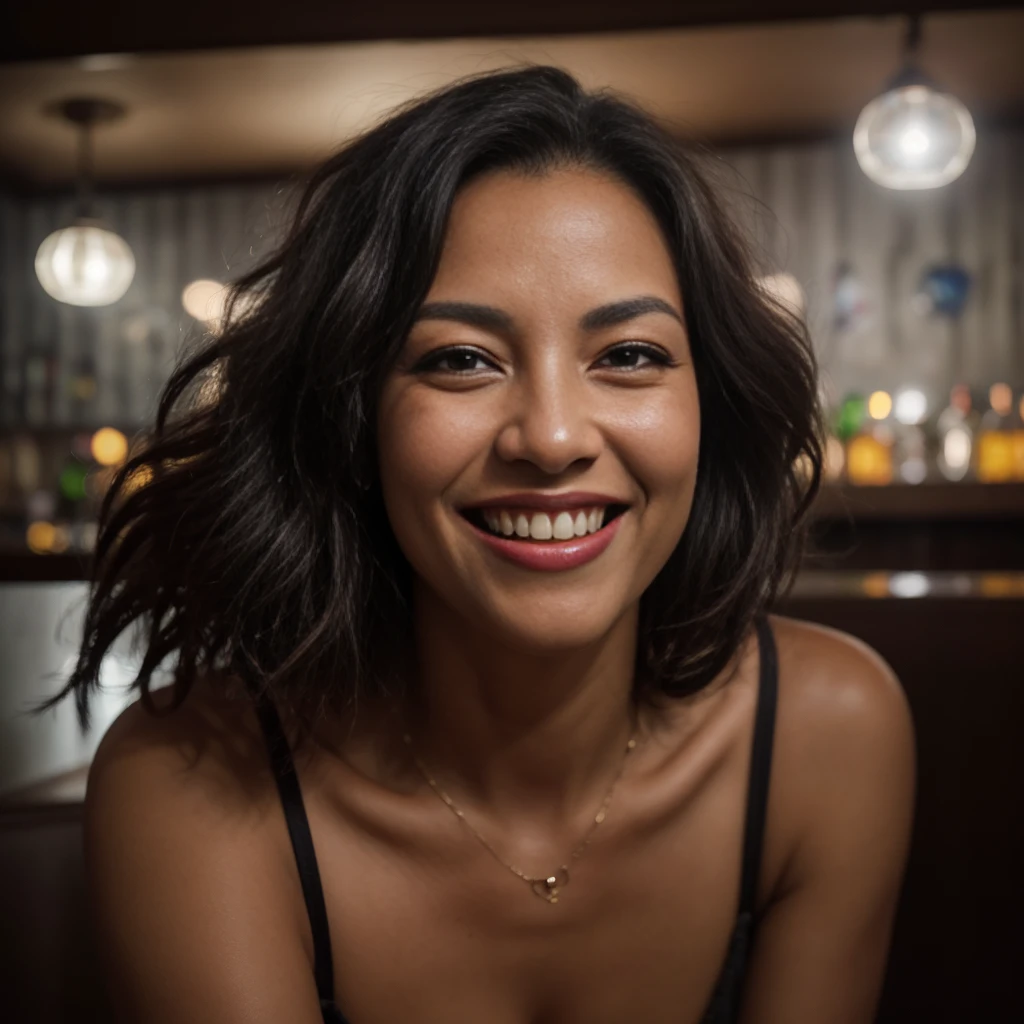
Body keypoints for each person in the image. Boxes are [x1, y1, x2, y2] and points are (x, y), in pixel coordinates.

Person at [49, 66, 915, 1023]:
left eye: (629, 356)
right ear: (351, 422)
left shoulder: (827, 738)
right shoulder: (189, 786)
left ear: (712, 405)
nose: (551, 437)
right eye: (460, 360)